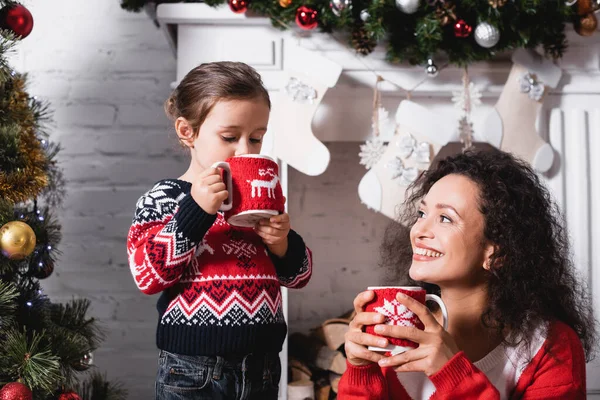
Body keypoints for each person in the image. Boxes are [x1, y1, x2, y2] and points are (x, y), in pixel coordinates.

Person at [338, 148, 596, 399]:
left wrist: (451, 373)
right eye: (422, 213)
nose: (418, 231)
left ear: (497, 254)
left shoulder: (550, 345)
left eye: (446, 218)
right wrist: (361, 371)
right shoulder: (392, 333)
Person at [126, 61, 313, 400]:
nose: (245, 150)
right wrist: (196, 210)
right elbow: (147, 276)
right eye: (230, 137)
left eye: (256, 138)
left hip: (264, 365)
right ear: (188, 132)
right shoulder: (165, 198)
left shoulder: (261, 193)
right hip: (191, 368)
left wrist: (283, 244)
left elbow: (299, 277)